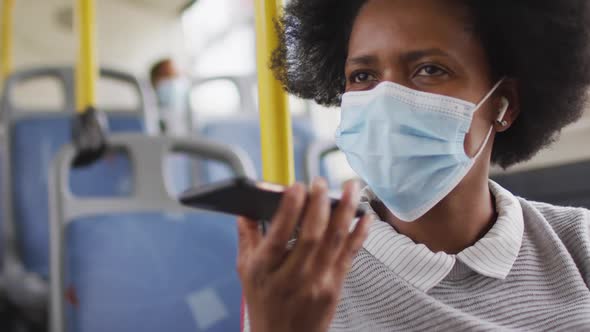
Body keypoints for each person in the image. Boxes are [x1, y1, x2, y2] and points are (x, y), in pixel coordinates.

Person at [237, 0, 590, 331]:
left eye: (429, 69)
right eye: (362, 76)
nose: (386, 102)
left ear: (503, 105)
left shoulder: (579, 244)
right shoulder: (296, 279)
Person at [149, 58, 191, 135]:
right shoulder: (147, 115)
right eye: (167, 76)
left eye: (176, 76)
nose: (172, 82)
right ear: (154, 81)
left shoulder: (191, 115)